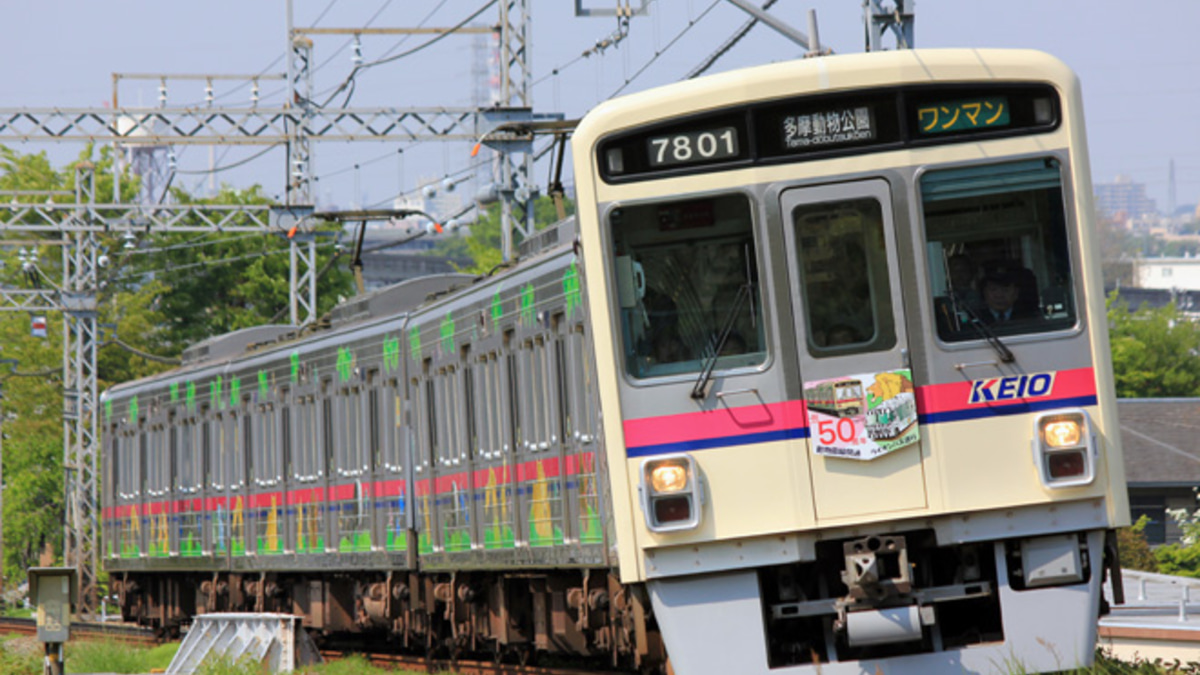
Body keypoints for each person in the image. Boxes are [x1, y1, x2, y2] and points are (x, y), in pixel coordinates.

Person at [978, 260, 1037, 324]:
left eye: (1005, 289)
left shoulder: (1030, 318)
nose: (999, 295)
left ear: (1016, 293)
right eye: (993, 289)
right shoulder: (976, 319)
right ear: (984, 292)